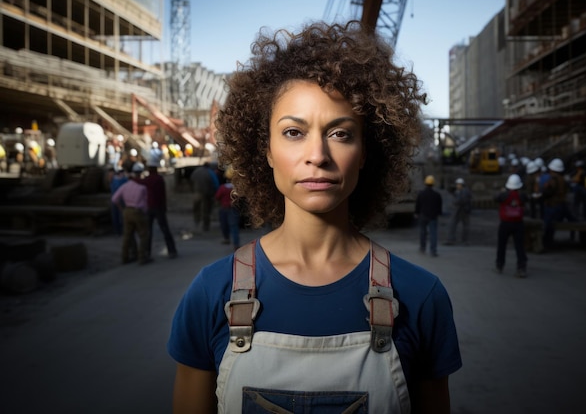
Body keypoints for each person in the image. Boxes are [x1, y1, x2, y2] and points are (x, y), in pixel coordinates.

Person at [167, 21, 462, 413]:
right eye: (293, 132)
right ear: (266, 151)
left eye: (340, 133)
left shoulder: (421, 297)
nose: (317, 155)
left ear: (367, 152)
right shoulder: (211, 293)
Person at [111, 162, 152, 265]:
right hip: (138, 212)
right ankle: (142, 257)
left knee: (127, 236)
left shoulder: (125, 186)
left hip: (127, 211)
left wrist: (122, 209)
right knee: (143, 235)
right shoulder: (142, 187)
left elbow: (114, 199)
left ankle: (125, 257)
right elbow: (145, 203)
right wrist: (145, 213)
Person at [139, 162, 178, 259]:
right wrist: (164, 206)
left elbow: (140, 183)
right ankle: (172, 250)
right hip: (159, 207)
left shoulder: (147, 180)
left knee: (148, 231)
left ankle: (147, 252)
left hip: (150, 207)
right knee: (165, 229)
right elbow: (163, 194)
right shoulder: (159, 179)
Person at [494, 174, 528, 278]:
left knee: (502, 245)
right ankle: (521, 268)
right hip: (518, 223)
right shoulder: (522, 196)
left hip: (505, 223)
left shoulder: (504, 195)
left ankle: (499, 265)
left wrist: (502, 191)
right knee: (519, 246)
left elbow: (496, 198)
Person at [542, 158, 574, 249]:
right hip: (561, 205)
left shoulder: (553, 180)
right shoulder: (563, 179)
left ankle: (547, 243)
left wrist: (545, 189)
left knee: (548, 226)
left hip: (553, 206)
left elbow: (548, 193)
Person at [414, 175, 443, 257]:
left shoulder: (421, 194)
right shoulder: (437, 195)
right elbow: (439, 206)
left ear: (425, 183)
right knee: (433, 233)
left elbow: (418, 205)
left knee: (423, 232)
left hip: (423, 216)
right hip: (433, 216)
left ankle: (422, 248)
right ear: (433, 184)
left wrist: (416, 213)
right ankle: (433, 251)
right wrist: (439, 213)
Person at [214, 167, 240, 251]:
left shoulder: (222, 188)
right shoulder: (236, 188)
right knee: (234, 226)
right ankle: (236, 244)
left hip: (224, 208)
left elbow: (217, 197)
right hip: (234, 208)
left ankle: (226, 239)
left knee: (224, 224)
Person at [189, 162, 219, 232]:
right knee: (206, 211)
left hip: (196, 193)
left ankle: (196, 222)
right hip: (207, 194)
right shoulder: (210, 172)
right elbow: (216, 184)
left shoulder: (196, 171)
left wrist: (192, 190)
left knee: (196, 209)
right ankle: (205, 226)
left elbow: (191, 180)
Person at [445, 177, 471, 245]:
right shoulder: (459, 191)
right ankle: (451, 239)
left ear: (462, 185)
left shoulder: (465, 191)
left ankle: (465, 240)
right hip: (459, 209)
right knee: (452, 223)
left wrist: (455, 201)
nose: (457, 186)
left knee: (465, 225)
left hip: (463, 210)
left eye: (458, 184)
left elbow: (461, 200)